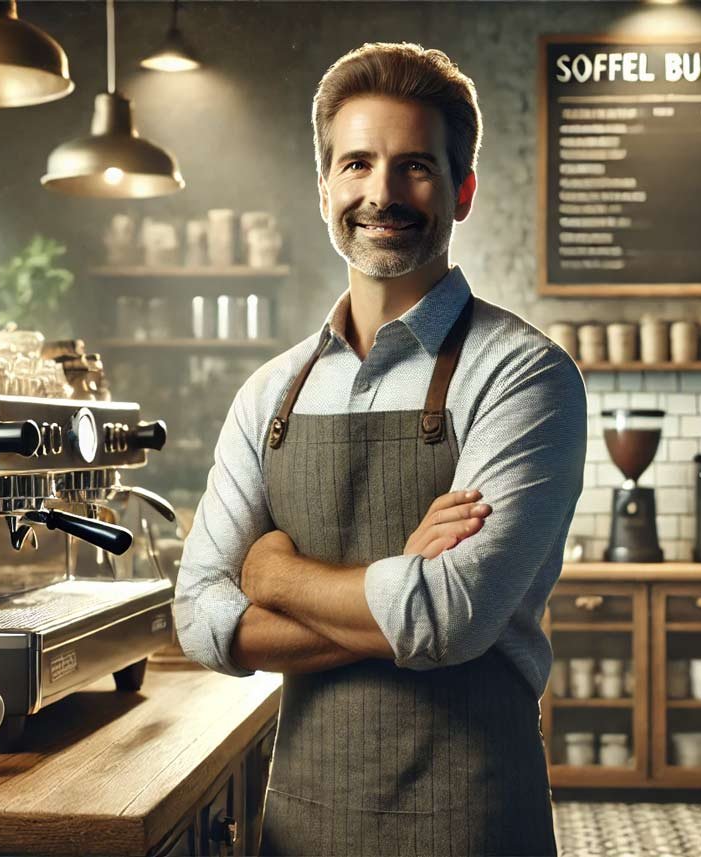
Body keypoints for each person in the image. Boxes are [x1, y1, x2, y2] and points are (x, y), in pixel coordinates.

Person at [173, 41, 586, 857]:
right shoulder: (271, 393)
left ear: (462, 190)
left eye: (416, 167)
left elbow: (452, 617)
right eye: (357, 164)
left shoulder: (525, 375)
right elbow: (196, 614)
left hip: (472, 820)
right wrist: (404, 585)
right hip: (300, 822)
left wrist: (274, 575)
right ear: (325, 188)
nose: (382, 193)